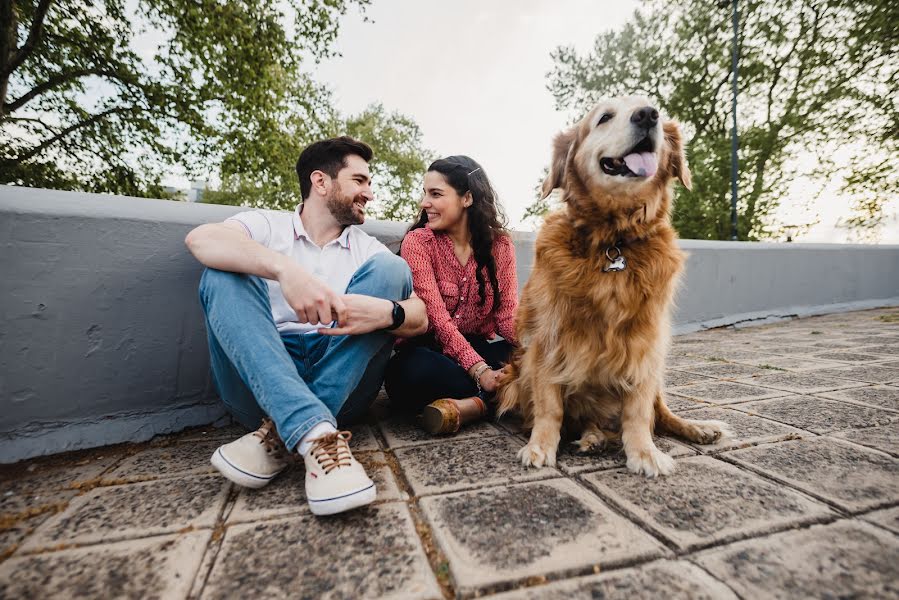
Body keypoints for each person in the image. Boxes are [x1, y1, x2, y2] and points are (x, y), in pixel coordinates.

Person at [185, 136, 427, 516]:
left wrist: (388, 314)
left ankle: (280, 435)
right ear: (321, 182)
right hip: (261, 378)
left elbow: (421, 316)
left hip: (341, 375)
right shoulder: (264, 224)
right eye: (360, 181)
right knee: (221, 275)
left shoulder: (369, 250)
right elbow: (200, 240)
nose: (370, 193)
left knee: (392, 271)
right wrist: (285, 271)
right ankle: (317, 434)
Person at [384, 156, 518, 433]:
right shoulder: (419, 242)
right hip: (428, 350)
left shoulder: (500, 246)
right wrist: (481, 372)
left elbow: (507, 316)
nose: (424, 203)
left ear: (467, 198)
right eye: (424, 193)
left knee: (527, 359)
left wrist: (539, 349)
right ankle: (492, 399)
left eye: (435, 194)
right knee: (413, 373)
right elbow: (440, 322)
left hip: (479, 346)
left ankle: (471, 406)